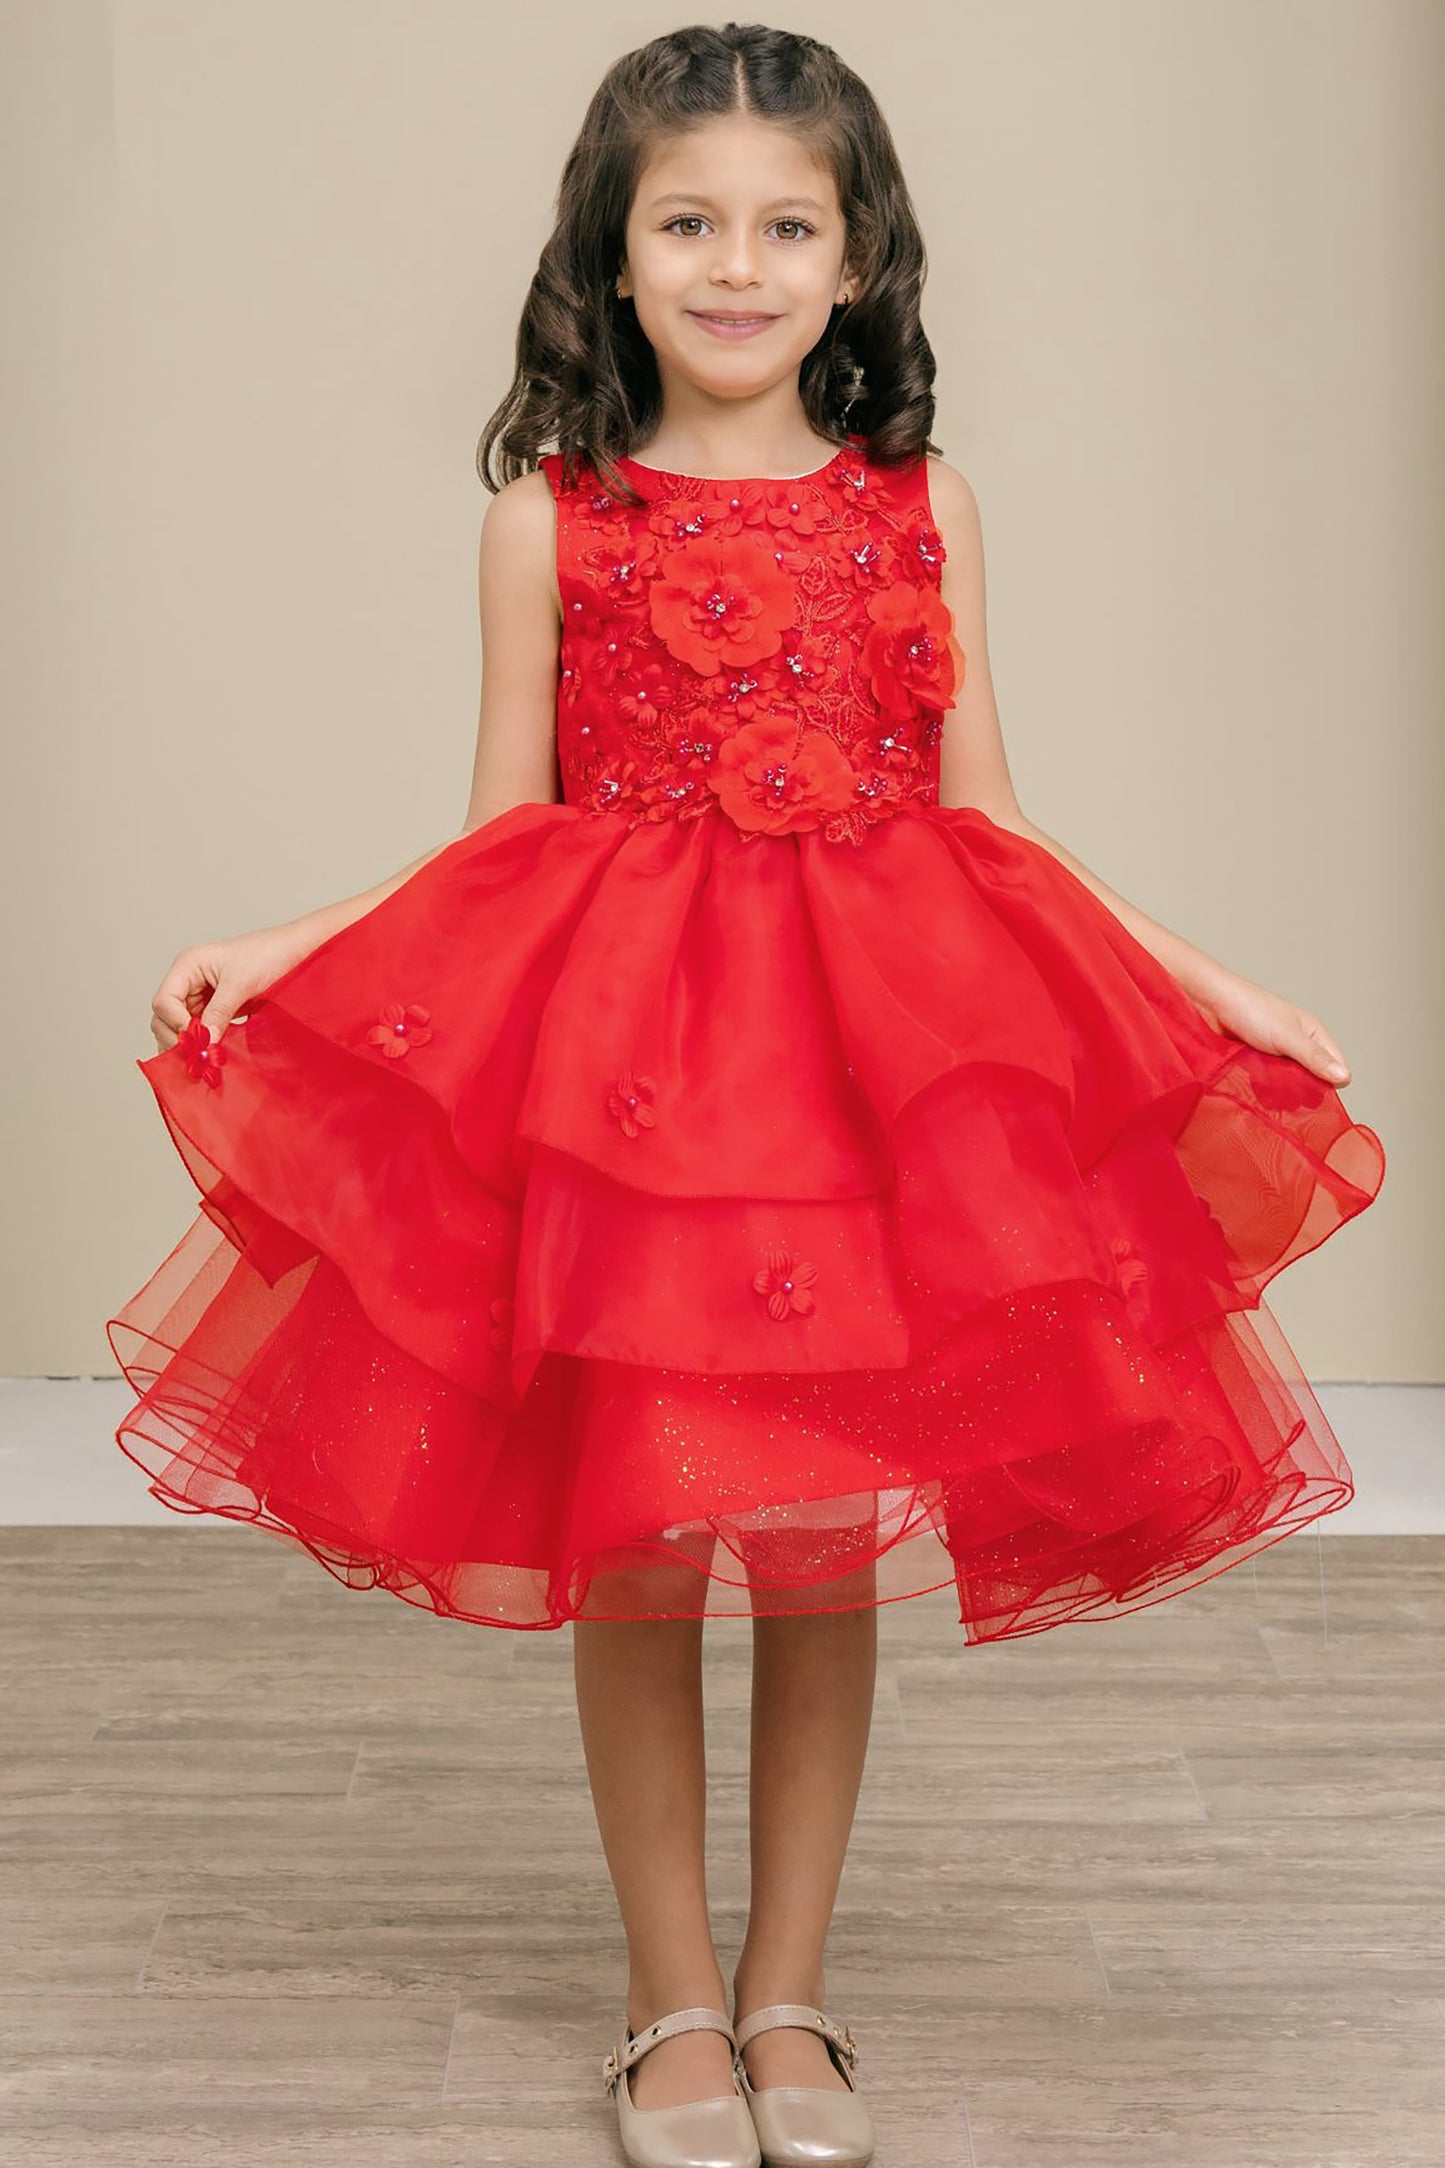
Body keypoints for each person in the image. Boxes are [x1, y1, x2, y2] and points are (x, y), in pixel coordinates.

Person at [105, 24, 1387, 2168]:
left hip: (860, 1095)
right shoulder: (551, 520)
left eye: (787, 225)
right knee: (636, 1550)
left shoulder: (923, 510)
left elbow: (998, 827)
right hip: (631, 1107)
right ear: (611, 260)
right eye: (687, 223)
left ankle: (793, 1995)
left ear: (862, 258)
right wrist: (297, 946)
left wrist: (1206, 979)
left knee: (809, 1549)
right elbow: (494, 833)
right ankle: (666, 2000)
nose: (737, 263)